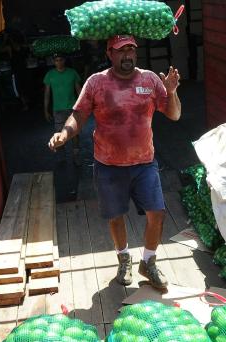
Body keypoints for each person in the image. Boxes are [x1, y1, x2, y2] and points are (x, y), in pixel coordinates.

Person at [47, 35, 181, 292]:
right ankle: (124, 259)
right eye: (121, 51)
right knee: (115, 216)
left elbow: (174, 114)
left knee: (157, 213)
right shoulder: (96, 83)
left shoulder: (150, 80)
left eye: (131, 50)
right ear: (110, 53)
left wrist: (172, 92)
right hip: (108, 165)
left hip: (144, 163)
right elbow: (79, 114)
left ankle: (148, 261)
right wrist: (65, 133)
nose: (127, 55)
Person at [44, 54, 83, 165]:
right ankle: (61, 157)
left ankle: (76, 156)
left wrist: (83, 106)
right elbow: (47, 94)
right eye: (56, 60)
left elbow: (79, 90)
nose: (59, 62)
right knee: (59, 133)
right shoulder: (49, 75)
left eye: (61, 60)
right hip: (58, 109)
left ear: (64, 60)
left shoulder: (72, 73)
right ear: (53, 61)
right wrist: (45, 110)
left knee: (75, 133)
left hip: (73, 108)